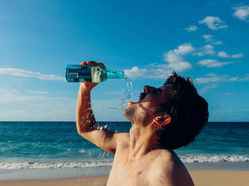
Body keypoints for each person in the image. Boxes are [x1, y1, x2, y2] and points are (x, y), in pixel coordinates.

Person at [76, 61, 209, 186]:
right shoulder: (124, 144)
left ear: (162, 119)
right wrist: (85, 89)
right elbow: (86, 128)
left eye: (156, 92)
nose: (146, 88)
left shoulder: (166, 169)